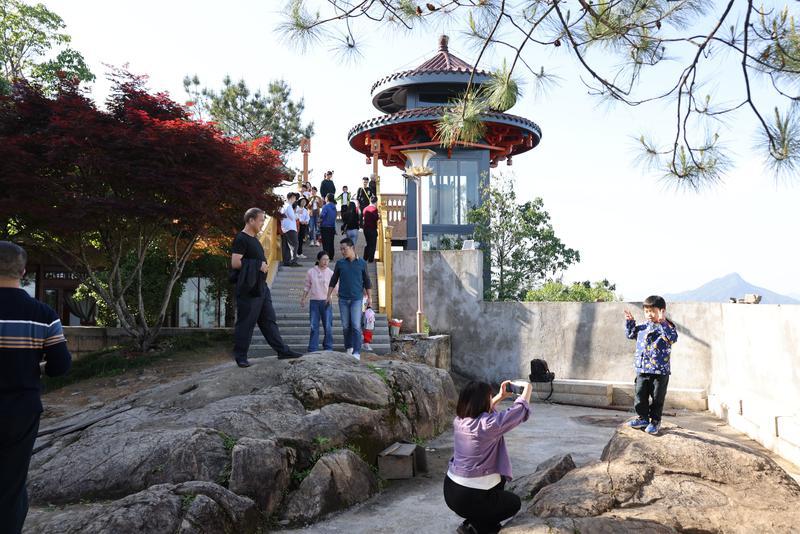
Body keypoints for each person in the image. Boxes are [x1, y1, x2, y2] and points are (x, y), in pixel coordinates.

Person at [0, 241, 72, 534]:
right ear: (24, 271)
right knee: (11, 486)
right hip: (21, 410)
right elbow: (60, 366)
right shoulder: (42, 314)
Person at [444, 380, 532, 534]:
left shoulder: (459, 421)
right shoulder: (488, 425)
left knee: (500, 478)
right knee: (513, 503)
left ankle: (473, 523)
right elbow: (519, 411)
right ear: (484, 401)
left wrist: (500, 396)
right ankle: (477, 527)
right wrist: (528, 388)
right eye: (489, 397)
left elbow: (480, 413)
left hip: (451, 490)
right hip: (469, 497)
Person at [231, 208, 303, 367]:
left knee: (269, 320)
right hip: (249, 289)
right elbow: (235, 263)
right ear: (251, 220)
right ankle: (241, 356)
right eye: (261, 220)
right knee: (246, 322)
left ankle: (282, 351)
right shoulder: (242, 239)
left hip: (261, 287)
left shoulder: (255, 239)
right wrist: (258, 265)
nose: (263, 223)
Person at [624, 295, 678, 435]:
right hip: (642, 369)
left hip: (660, 372)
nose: (649, 314)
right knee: (640, 395)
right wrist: (630, 322)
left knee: (657, 398)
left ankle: (655, 421)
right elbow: (630, 334)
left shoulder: (668, 327)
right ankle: (643, 418)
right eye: (647, 311)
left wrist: (663, 323)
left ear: (662, 311)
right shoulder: (642, 327)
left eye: (653, 311)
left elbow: (672, 338)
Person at [327, 238, 371, 361]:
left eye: (344, 249)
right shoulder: (340, 263)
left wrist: (370, 298)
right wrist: (328, 295)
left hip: (357, 299)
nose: (342, 251)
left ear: (352, 248)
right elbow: (333, 280)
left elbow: (367, 281)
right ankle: (349, 347)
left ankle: (357, 352)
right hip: (343, 299)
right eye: (341, 249)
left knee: (356, 325)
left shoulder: (362, 263)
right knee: (346, 326)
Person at [301, 251, 336, 352]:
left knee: (328, 326)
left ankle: (328, 346)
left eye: (327, 260)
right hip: (314, 302)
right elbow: (307, 286)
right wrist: (303, 298)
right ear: (318, 260)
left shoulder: (330, 272)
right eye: (323, 259)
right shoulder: (311, 272)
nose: (326, 262)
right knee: (313, 326)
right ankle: (313, 348)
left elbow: (335, 286)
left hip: (326, 302)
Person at [280, 192, 301, 267]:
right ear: (291, 197)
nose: (295, 200)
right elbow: (293, 217)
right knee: (294, 244)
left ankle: (286, 261)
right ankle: (293, 261)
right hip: (290, 228)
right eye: (295, 198)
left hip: (285, 228)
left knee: (286, 246)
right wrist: (298, 214)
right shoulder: (289, 206)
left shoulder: (283, 206)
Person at [362, 196, 380, 263]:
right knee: (372, 245)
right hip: (372, 229)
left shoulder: (365, 208)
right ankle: (370, 259)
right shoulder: (374, 209)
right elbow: (376, 218)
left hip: (365, 229)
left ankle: (365, 257)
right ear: (376, 202)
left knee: (368, 243)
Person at [320, 193, 338, 260]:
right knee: (331, 242)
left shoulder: (325, 206)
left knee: (325, 243)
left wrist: (319, 221)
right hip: (332, 227)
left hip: (325, 226)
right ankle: (331, 256)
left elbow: (322, 216)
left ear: (327, 198)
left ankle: (326, 256)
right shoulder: (334, 206)